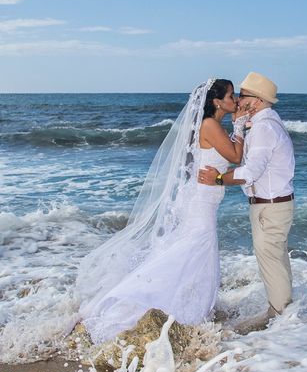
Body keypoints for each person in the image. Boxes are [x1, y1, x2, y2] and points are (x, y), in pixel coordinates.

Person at [74, 78, 245, 344]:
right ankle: (148, 301)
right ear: (216, 102)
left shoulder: (212, 125)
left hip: (203, 200)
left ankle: (185, 309)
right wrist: (242, 126)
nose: (236, 100)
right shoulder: (211, 125)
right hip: (200, 202)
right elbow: (235, 157)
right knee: (191, 251)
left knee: (191, 254)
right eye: (232, 96)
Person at [198, 72, 295, 322]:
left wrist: (219, 179)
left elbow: (250, 172)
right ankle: (285, 314)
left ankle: (281, 317)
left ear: (258, 101)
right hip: (273, 205)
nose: (239, 101)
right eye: (237, 95)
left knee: (272, 261)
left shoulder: (263, 128)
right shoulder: (266, 123)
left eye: (243, 96)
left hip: (270, 207)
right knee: (277, 260)